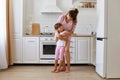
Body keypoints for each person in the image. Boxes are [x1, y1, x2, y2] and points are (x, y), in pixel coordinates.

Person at [55, 8, 79, 72]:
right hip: (59, 36)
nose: (69, 19)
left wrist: (66, 32)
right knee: (61, 51)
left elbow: (72, 31)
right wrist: (58, 35)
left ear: (73, 18)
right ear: (67, 13)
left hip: (67, 36)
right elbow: (56, 27)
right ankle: (63, 67)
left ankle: (68, 67)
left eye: (70, 18)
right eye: (69, 16)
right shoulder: (62, 17)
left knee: (66, 51)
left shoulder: (74, 22)